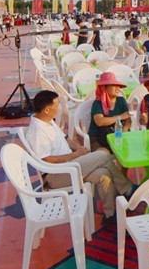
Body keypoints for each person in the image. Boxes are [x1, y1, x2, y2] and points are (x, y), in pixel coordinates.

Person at [26, 90, 135, 227]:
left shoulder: (47, 120)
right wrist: (75, 155)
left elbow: (65, 138)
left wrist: (78, 149)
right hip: (56, 174)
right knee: (103, 156)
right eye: (57, 105)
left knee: (104, 175)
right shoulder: (37, 130)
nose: (59, 108)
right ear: (47, 109)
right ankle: (127, 189)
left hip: (69, 165)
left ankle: (110, 215)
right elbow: (46, 159)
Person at [88, 72, 132, 153]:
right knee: (103, 156)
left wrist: (124, 131)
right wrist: (120, 117)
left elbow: (128, 119)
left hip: (118, 137)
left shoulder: (121, 101)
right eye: (114, 85)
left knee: (127, 152)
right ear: (104, 87)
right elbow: (100, 121)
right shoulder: (97, 103)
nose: (118, 88)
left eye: (118, 86)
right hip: (100, 139)